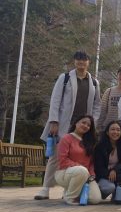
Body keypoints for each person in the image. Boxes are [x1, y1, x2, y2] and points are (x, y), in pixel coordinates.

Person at [35, 51, 101, 200]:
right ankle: (46, 188)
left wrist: (93, 122)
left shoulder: (94, 82)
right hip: (65, 123)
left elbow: (97, 105)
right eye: (78, 60)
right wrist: (54, 121)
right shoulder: (64, 78)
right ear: (74, 62)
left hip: (84, 127)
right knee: (55, 156)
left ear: (88, 62)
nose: (81, 63)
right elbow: (55, 100)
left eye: (84, 60)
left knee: (82, 156)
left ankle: (71, 189)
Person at [54, 115, 101, 205]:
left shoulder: (88, 142)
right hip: (64, 173)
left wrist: (91, 175)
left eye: (88, 125)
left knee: (95, 199)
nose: (86, 126)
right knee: (81, 170)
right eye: (83, 122)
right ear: (76, 123)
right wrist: (81, 168)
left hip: (85, 174)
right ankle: (70, 197)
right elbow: (62, 160)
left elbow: (91, 162)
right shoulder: (66, 138)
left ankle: (73, 190)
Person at [94, 121, 121, 202]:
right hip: (103, 176)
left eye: (118, 130)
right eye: (112, 129)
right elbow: (98, 168)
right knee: (109, 187)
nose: (115, 132)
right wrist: (109, 173)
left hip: (117, 173)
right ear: (107, 132)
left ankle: (117, 196)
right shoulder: (100, 147)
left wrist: (115, 170)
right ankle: (98, 194)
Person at [97, 66, 121, 133]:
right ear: (117, 76)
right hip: (108, 127)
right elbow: (102, 110)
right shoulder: (109, 91)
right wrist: (99, 127)